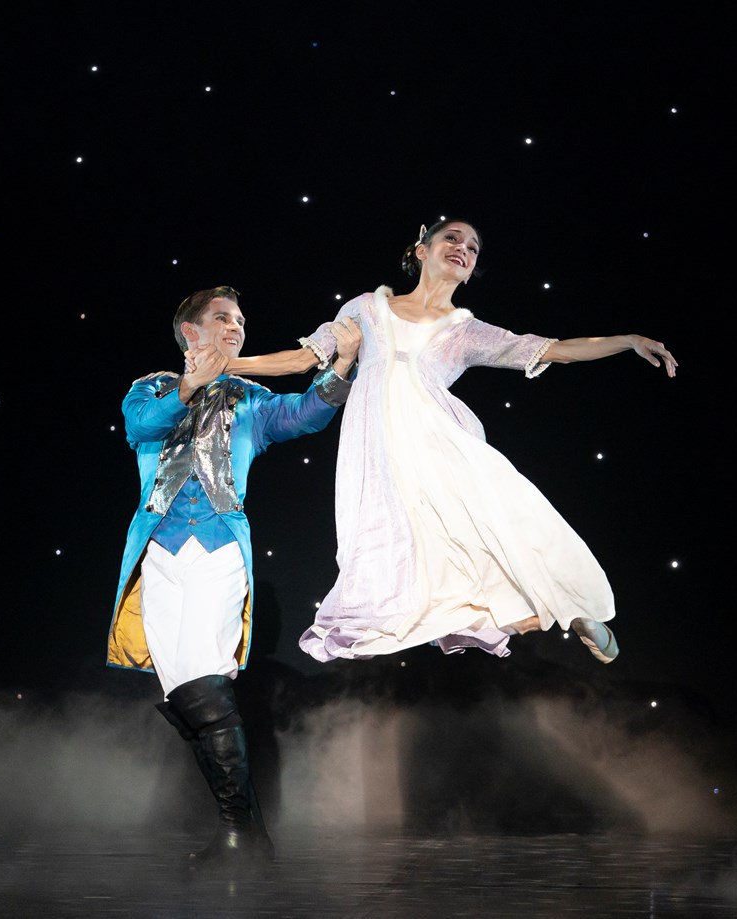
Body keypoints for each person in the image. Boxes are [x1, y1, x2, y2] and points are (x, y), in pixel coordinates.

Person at [221, 219, 677, 665]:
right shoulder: (365, 308)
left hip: (437, 444)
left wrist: (628, 340)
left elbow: (552, 348)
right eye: (452, 238)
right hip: (378, 453)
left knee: (496, 530)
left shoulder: (467, 331)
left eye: (473, 247)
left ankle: (571, 605)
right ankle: (551, 614)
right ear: (421, 250)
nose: (463, 248)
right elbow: (303, 359)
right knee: (406, 560)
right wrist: (226, 366)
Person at [105, 285, 361, 869]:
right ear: (189, 333)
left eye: (241, 320)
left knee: (205, 678)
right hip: (158, 554)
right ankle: (243, 833)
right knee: (181, 693)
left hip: (219, 549)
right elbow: (143, 428)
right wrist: (191, 385)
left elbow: (304, 413)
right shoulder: (150, 389)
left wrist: (342, 363)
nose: (237, 328)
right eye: (223, 318)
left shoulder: (249, 397)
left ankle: (241, 833)